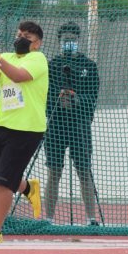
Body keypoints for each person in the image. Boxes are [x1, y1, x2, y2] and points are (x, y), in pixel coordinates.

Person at [0, 21, 48, 243]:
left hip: (26, 129)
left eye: (27, 36)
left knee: (3, 182)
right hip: (2, 124)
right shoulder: (8, 57)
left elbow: (17, 76)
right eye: (19, 34)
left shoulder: (38, 59)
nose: (21, 38)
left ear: (37, 43)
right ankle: (27, 187)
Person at [44, 21, 100, 226]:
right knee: (54, 171)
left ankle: (91, 218)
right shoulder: (51, 66)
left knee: (84, 170)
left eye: (73, 40)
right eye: (66, 40)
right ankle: (48, 218)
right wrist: (58, 100)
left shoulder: (89, 66)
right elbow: (44, 96)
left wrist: (76, 100)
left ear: (79, 40)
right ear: (59, 41)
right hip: (56, 125)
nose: (69, 43)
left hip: (80, 124)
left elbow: (93, 97)